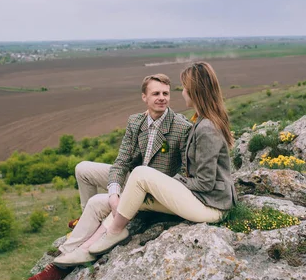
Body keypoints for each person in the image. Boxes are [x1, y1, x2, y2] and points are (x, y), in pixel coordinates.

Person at [26, 73, 192, 280]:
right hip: (131, 179)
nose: (161, 98)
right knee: (83, 169)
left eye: (165, 93)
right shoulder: (135, 121)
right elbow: (121, 162)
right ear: (144, 97)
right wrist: (113, 192)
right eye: (156, 93)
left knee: (98, 204)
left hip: (152, 191)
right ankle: (86, 218)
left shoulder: (181, 127)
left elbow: (185, 173)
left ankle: (60, 265)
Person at [84, 61, 237, 256]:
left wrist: (170, 182)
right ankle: (90, 240)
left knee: (140, 175)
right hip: (204, 199)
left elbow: (205, 182)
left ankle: (114, 232)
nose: (181, 93)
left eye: (184, 88)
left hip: (213, 206)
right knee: (119, 196)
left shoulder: (207, 128)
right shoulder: (202, 121)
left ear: (194, 91)